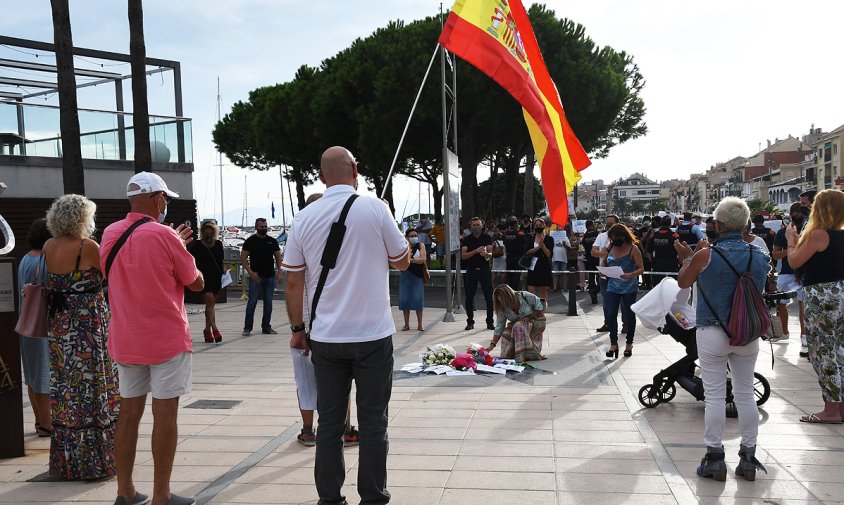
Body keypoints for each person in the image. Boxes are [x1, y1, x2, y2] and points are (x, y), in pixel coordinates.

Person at [283, 146, 410, 505]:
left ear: (321, 178)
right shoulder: (375, 207)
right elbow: (401, 262)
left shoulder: (304, 218)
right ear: (356, 169)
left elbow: (292, 281)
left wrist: (297, 328)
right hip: (372, 335)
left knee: (330, 424)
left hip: (325, 337)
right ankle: (372, 497)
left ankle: (329, 499)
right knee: (373, 423)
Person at [102, 172, 204, 505]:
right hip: (166, 338)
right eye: (165, 199)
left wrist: (169, 241)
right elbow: (196, 282)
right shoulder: (164, 235)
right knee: (165, 416)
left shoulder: (109, 233)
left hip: (126, 337)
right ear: (157, 198)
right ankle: (162, 494)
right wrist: (177, 243)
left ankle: (125, 490)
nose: (166, 204)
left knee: (129, 413)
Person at [675, 196, 770, 482]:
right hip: (748, 332)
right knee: (744, 394)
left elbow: (683, 281)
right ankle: (749, 457)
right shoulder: (759, 255)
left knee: (715, 395)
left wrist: (690, 256)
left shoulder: (707, 255)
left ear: (719, 224)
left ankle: (715, 458)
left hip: (712, 330)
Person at [43, 195, 119, 481]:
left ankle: (68, 462)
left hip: (61, 327)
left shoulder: (49, 246)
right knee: (94, 386)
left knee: (67, 391)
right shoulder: (87, 247)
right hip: (89, 326)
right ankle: (96, 461)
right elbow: (112, 275)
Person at [785, 189, 844, 424]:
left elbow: (795, 260)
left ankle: (831, 410)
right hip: (841, 291)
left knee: (823, 350)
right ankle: (840, 408)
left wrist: (791, 242)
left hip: (822, 294)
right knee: (840, 351)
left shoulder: (819, 234)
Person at [17, 218, 52, 438]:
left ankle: (39, 420)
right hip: (42, 324)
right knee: (44, 375)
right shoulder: (46, 261)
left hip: (26, 322)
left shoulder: (24, 258)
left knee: (31, 375)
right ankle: (48, 425)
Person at [601, 224, 644, 358]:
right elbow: (604, 264)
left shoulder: (633, 249)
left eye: (616, 237)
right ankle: (613, 343)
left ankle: (629, 343)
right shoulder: (611, 247)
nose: (614, 240)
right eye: (612, 238)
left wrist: (630, 275)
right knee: (611, 314)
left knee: (629, 315)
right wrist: (603, 268)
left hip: (629, 286)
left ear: (624, 236)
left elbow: (641, 268)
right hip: (612, 286)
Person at [771, 204, 806, 348]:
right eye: (795, 213)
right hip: (786, 272)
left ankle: (804, 334)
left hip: (803, 273)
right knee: (781, 303)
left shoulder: (808, 231)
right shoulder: (781, 233)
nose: (797, 216)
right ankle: (783, 332)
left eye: (800, 213)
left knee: (803, 305)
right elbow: (775, 254)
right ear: (790, 215)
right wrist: (791, 248)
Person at [240, 218, 282, 336]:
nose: (264, 228)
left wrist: (280, 272)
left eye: (265, 226)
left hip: (270, 276)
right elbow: (243, 258)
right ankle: (247, 327)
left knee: (268, 302)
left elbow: (278, 257)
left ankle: (266, 327)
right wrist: (251, 272)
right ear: (256, 227)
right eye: (261, 227)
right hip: (255, 277)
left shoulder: (272, 241)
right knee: (252, 302)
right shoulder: (250, 241)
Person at [487, 284, 546, 361]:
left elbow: (540, 308)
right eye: (499, 301)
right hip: (519, 323)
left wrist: (529, 316)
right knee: (506, 332)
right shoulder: (502, 307)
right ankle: (508, 355)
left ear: (508, 296)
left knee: (518, 327)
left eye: (503, 300)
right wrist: (491, 346)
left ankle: (521, 356)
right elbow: (499, 327)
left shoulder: (525, 296)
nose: (502, 303)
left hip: (535, 320)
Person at [188, 220, 224, 343]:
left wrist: (224, 270)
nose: (208, 234)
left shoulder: (218, 244)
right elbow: (190, 260)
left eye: (210, 232)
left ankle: (207, 330)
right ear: (202, 232)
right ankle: (215, 329)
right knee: (209, 301)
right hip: (204, 277)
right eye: (206, 232)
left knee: (210, 305)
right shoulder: (197, 245)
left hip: (216, 277)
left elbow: (220, 260)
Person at [462, 217, 494, 331]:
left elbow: (491, 253)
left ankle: (490, 322)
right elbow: (464, 255)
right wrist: (475, 251)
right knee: (469, 297)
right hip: (471, 270)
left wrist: (486, 254)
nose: (476, 227)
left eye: (478, 225)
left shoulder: (487, 237)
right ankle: (470, 321)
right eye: (474, 225)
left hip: (484, 269)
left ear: (482, 226)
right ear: (470, 226)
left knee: (489, 297)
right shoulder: (467, 239)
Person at [592, 214, 620, 331]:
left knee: (621, 301)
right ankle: (607, 323)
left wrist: (608, 252)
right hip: (604, 274)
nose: (609, 224)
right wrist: (605, 253)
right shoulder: (601, 236)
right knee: (607, 301)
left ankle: (625, 325)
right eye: (607, 222)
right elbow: (593, 252)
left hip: (618, 274)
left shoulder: (622, 237)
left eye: (611, 222)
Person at [399, 228, 426, 331]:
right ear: (406, 237)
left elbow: (423, 259)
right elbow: (401, 259)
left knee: (418, 299)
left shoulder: (420, 245)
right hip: (405, 275)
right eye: (412, 236)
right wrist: (412, 259)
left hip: (417, 276)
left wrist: (411, 260)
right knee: (404, 299)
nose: (414, 238)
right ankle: (406, 324)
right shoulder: (404, 246)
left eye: (416, 235)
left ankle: (420, 324)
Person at [525, 217, 555, 304]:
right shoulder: (531, 238)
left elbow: (549, 254)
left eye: (540, 225)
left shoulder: (549, 239)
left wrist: (543, 245)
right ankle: (533, 309)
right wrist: (538, 247)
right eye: (537, 225)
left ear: (544, 226)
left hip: (544, 265)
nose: (538, 227)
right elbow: (527, 251)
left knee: (543, 290)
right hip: (532, 265)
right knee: (531, 289)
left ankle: (542, 311)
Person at [647, 215, 680, 285]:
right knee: (673, 285)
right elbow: (680, 250)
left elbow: (648, 252)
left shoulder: (654, 235)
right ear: (670, 224)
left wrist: (652, 261)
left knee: (658, 285)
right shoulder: (674, 236)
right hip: (672, 264)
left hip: (658, 264)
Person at [502, 216, 526, 291]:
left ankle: (509, 291)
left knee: (509, 274)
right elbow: (525, 244)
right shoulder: (520, 234)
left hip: (509, 257)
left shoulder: (506, 234)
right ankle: (515, 290)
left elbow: (504, 243)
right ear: (515, 224)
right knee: (516, 275)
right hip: (518, 257)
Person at [581, 220, 600, 303]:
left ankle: (593, 293)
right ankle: (596, 289)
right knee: (600, 276)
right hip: (598, 257)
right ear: (592, 225)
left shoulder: (585, 236)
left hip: (589, 258)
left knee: (591, 277)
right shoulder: (597, 234)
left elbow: (584, 246)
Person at [551, 226, 569, 292]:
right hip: (555, 257)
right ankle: (555, 287)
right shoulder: (552, 237)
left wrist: (565, 244)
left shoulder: (566, 238)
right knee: (555, 273)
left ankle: (564, 287)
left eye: (560, 230)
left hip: (563, 258)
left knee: (564, 273)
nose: (559, 231)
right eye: (558, 230)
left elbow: (569, 247)